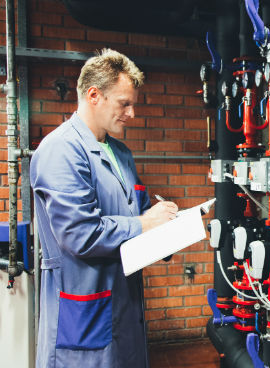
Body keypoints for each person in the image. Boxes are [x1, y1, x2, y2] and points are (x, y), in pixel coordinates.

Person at [31, 48, 178, 368]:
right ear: (94, 95)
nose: (131, 114)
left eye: (133, 105)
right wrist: (145, 223)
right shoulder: (61, 150)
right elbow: (80, 234)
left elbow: (140, 215)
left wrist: (170, 229)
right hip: (85, 311)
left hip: (124, 306)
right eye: (124, 103)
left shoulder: (121, 153)